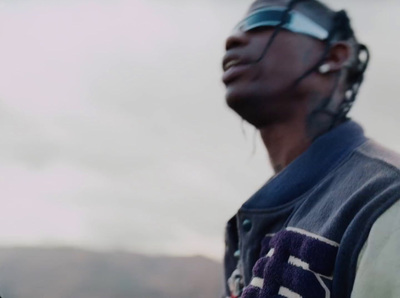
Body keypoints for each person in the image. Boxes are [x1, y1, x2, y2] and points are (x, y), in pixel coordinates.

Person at [221, 0, 400, 297]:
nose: (233, 39)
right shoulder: (252, 220)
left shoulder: (384, 198)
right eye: (237, 28)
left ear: (334, 55)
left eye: (264, 20)